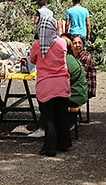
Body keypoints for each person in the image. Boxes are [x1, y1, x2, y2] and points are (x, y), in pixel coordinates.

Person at [29, 15, 72, 157]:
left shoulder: (37, 45)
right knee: (62, 115)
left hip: (45, 85)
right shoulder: (62, 43)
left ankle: (50, 147)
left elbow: (33, 60)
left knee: (49, 118)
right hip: (61, 83)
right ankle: (64, 143)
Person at [65, 36, 89, 128]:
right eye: (75, 43)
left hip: (78, 94)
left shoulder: (68, 60)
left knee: (51, 100)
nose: (77, 45)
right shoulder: (71, 58)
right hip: (80, 90)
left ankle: (46, 127)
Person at [71, 35, 97, 99]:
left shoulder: (86, 57)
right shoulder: (73, 56)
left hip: (87, 88)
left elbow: (81, 76)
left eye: (80, 43)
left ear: (83, 45)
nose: (77, 45)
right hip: (78, 86)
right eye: (75, 43)